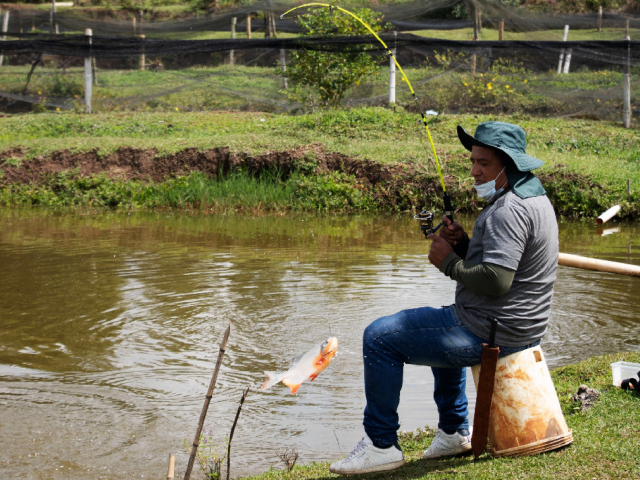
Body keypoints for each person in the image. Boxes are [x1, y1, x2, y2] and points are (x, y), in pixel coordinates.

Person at [329, 121, 559, 475]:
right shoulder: (534, 196)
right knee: (435, 321)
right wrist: (466, 245)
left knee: (378, 337)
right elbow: (505, 263)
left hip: (492, 331)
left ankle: (380, 445)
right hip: (516, 325)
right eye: (473, 161)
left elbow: (497, 281)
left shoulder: (508, 210)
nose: (474, 171)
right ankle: (453, 431)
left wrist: (449, 262)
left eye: (484, 163)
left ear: (508, 164)